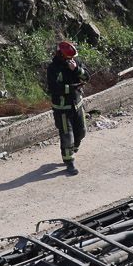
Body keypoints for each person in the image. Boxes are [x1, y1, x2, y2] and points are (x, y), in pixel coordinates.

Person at [45, 40, 87, 174]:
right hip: (62, 108)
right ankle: (69, 162)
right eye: (69, 58)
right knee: (67, 135)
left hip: (77, 105)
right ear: (61, 56)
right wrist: (72, 88)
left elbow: (87, 76)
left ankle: (73, 148)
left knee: (81, 131)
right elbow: (53, 88)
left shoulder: (75, 62)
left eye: (73, 58)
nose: (72, 60)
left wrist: (77, 69)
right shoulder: (53, 69)